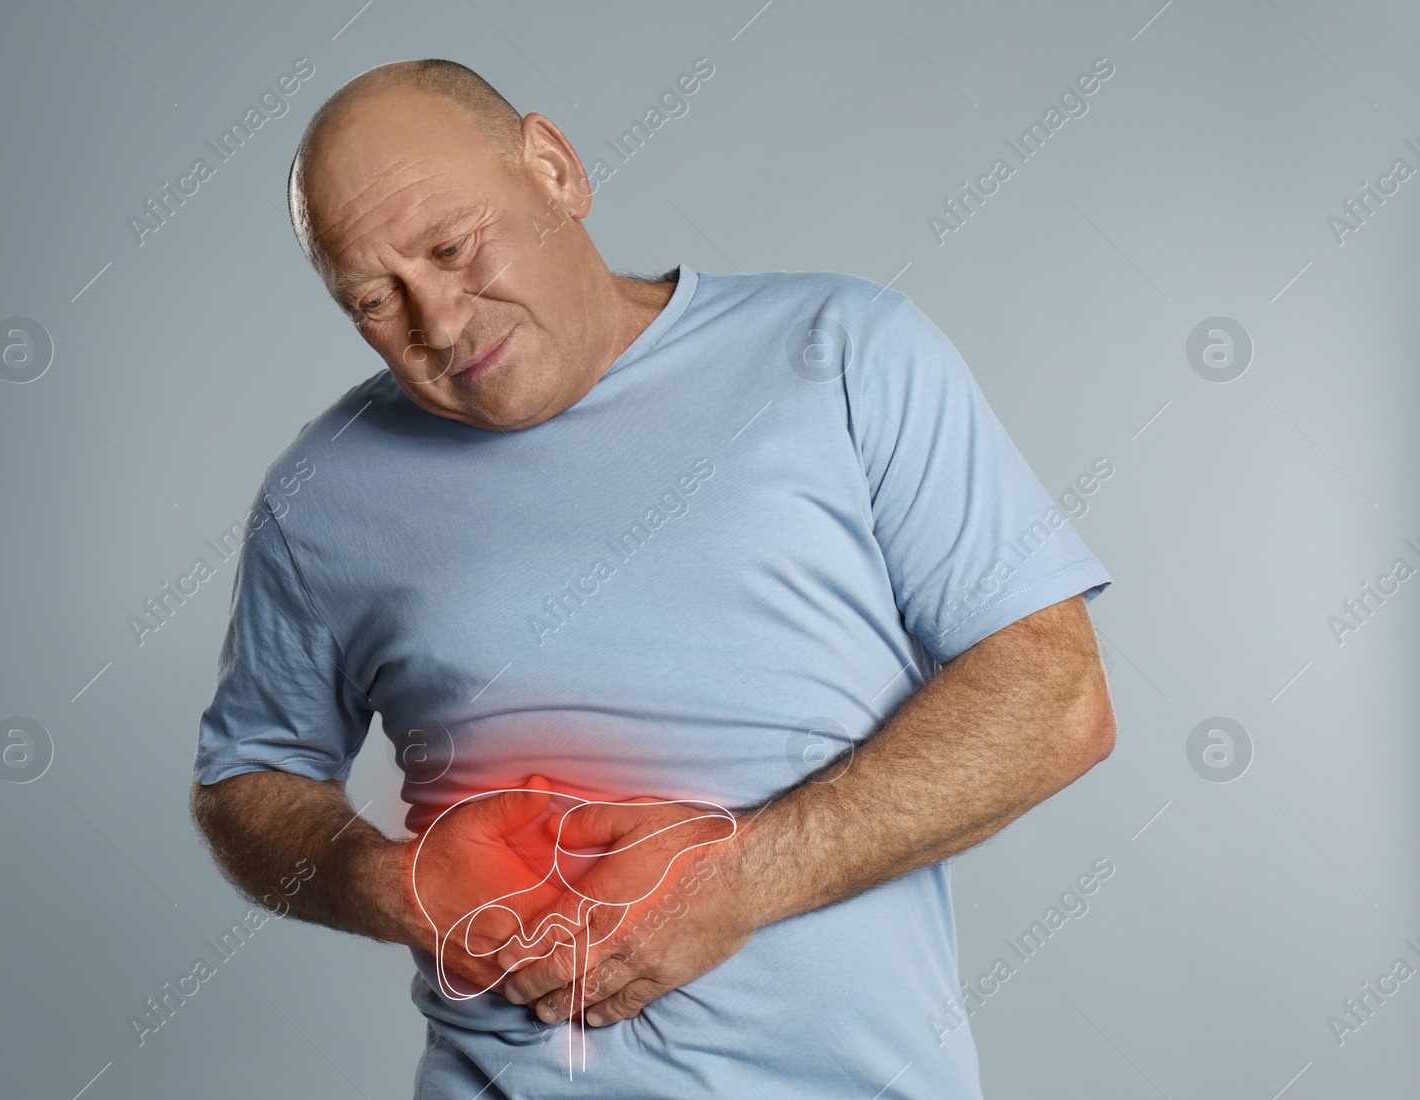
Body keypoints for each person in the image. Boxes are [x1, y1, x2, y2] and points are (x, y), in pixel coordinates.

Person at [189, 57, 1116, 1100]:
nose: (437, 322)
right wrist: (393, 881)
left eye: (453, 248)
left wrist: (739, 880)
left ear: (553, 169)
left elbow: (1054, 696)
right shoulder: (324, 492)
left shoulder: (842, 351)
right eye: (373, 298)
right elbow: (247, 779)